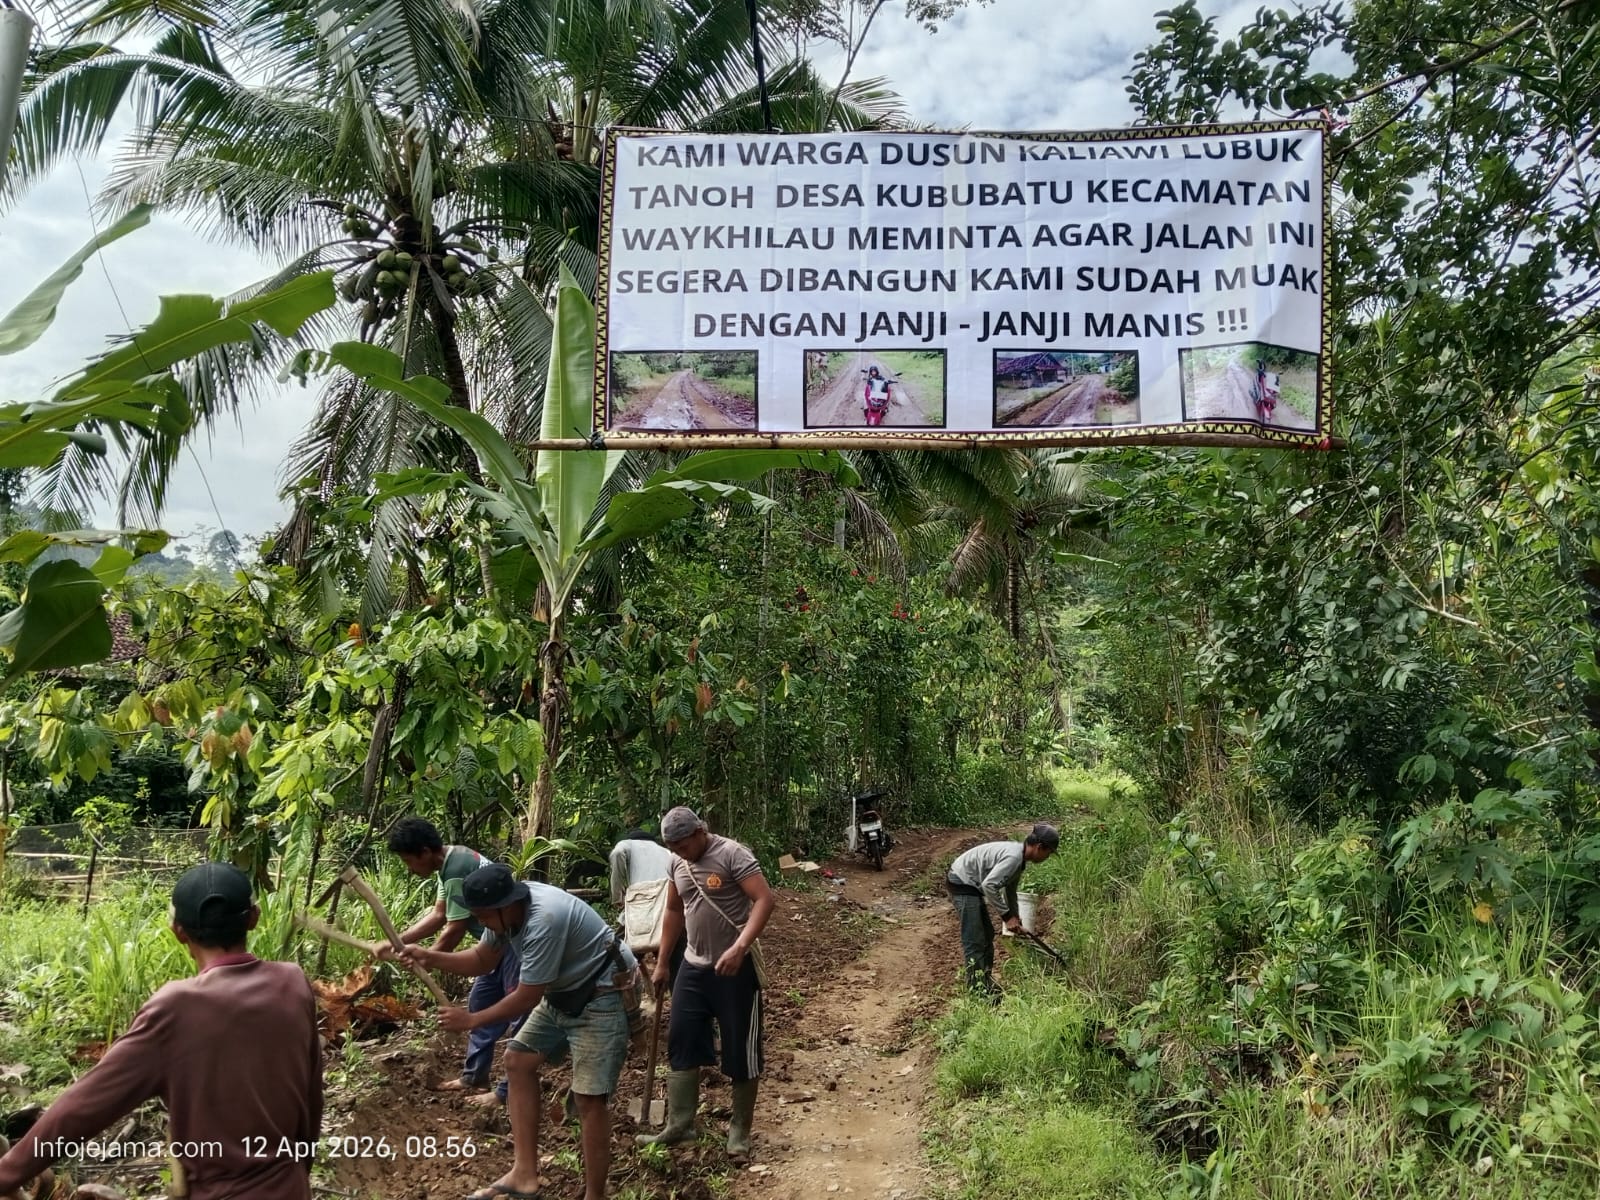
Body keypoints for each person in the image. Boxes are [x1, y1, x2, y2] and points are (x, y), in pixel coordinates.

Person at [0, 862, 322, 1200]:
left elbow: (82, 1108)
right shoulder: (292, 982)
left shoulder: (175, 1007)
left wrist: (8, 1173)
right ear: (254, 918)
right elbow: (311, 1101)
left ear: (177, 930)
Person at [402, 863, 638, 1200]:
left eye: (483, 918)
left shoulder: (544, 920)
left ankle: (595, 1195)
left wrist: (471, 1020)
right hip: (564, 992)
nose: (481, 924)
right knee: (517, 1062)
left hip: (603, 993)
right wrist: (429, 956)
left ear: (504, 906)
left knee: (589, 1097)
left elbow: (528, 995)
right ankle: (524, 1174)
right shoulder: (503, 912)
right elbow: (483, 959)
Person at [638, 806, 775, 1160]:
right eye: (673, 848)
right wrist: (664, 961)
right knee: (681, 1040)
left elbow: (764, 900)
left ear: (701, 831)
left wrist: (740, 946)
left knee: (741, 1050)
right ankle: (681, 1125)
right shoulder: (676, 863)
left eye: (683, 845)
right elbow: (672, 910)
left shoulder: (732, 854)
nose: (679, 853)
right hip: (693, 967)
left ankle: (739, 1131)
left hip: (736, 970)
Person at [374, 817, 513, 1100]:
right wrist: (396, 943)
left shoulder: (457, 869)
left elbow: (454, 930)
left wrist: (426, 959)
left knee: (518, 1014)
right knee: (480, 1003)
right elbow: (439, 916)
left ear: (425, 852)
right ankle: (475, 1079)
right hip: (494, 942)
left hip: (513, 943)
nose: (410, 870)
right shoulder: (451, 860)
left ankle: (508, 1091)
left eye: (408, 861)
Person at [945, 824, 1060, 997]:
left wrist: (1015, 917)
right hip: (962, 882)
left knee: (987, 934)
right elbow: (989, 886)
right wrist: (1007, 917)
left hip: (971, 884)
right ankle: (977, 990)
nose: (1047, 857)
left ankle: (985, 981)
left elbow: (1010, 891)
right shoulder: (1014, 858)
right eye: (1049, 853)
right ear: (1039, 847)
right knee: (975, 939)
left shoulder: (1019, 859)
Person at [608, 828, 672, 907]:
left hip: (641, 896)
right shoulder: (665, 851)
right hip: (665, 896)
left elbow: (617, 853)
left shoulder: (627, 843)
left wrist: (617, 896)